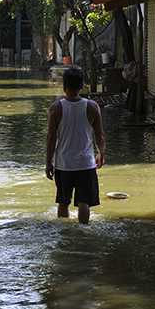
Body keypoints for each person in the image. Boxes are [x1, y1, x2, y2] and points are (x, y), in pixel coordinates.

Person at [45, 67, 105, 224]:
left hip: (63, 164)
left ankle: (64, 232)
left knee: (63, 202)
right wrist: (101, 154)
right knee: (84, 202)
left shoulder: (56, 108)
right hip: (85, 163)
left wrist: (47, 163)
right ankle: (83, 232)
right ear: (82, 86)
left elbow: (50, 138)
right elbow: (99, 136)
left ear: (64, 86)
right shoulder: (92, 107)